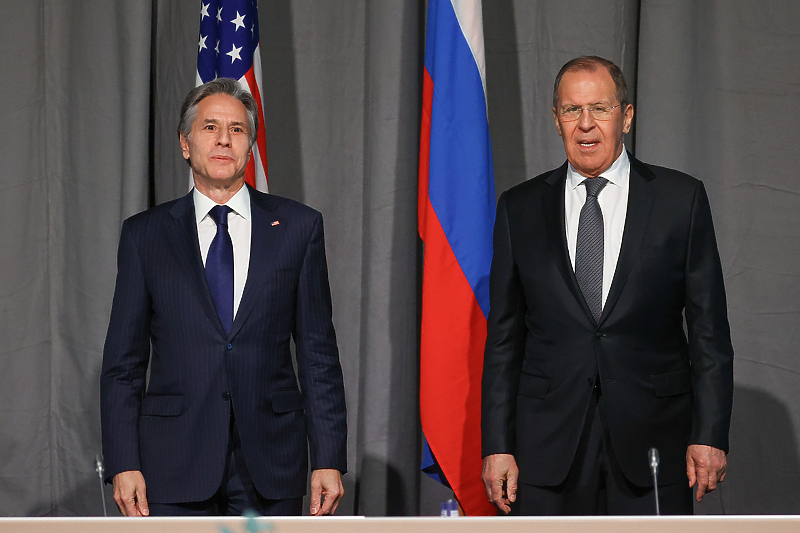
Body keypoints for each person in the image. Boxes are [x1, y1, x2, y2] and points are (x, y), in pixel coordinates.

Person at [481, 56, 733, 515]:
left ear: (627, 117)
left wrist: (710, 435)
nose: (585, 124)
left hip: (655, 443)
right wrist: (497, 445)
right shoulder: (520, 208)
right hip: (547, 450)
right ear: (556, 120)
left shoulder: (681, 200)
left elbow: (709, 332)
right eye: (571, 110)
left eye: (599, 108)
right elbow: (503, 339)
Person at [100, 78, 347, 517]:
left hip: (271, 462)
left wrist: (327, 457)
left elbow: (318, 354)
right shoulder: (145, 235)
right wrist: (123, 462)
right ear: (185, 143)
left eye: (237, 130)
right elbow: (124, 363)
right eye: (210, 126)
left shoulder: (297, 227)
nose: (223, 140)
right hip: (172, 463)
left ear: (250, 146)